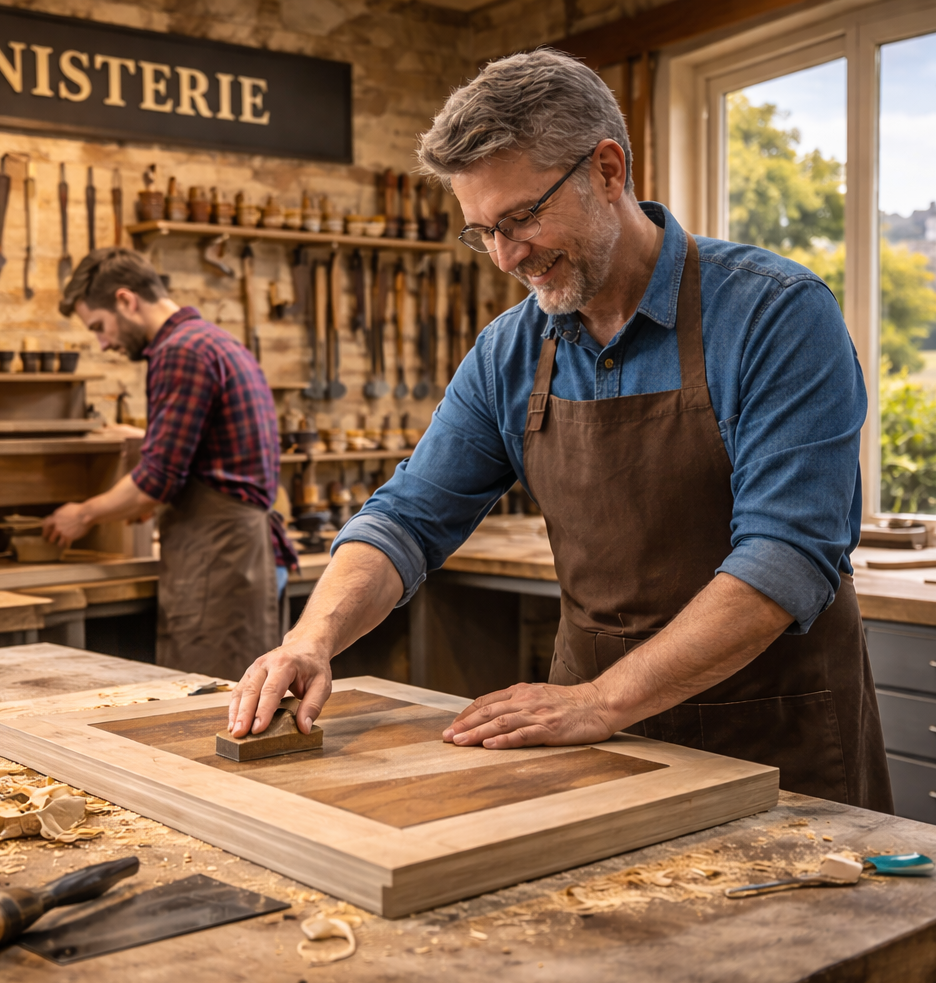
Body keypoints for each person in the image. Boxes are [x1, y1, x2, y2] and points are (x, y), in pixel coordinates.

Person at [226, 48, 891, 811]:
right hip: (592, 744)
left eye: (522, 217)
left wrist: (601, 700)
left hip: (772, 742)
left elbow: (786, 558)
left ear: (607, 171)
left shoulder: (775, 313)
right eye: (483, 232)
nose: (507, 257)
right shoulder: (511, 349)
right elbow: (406, 519)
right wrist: (312, 639)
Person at [44, 248, 295, 679]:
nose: (104, 343)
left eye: (99, 327)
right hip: (236, 552)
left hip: (220, 560)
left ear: (126, 300)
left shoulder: (180, 351)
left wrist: (82, 514)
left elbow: (156, 479)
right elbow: (195, 459)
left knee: (212, 705)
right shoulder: (212, 339)